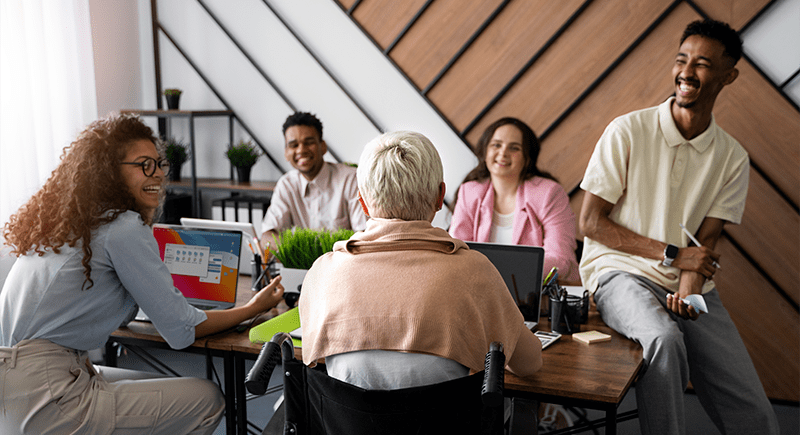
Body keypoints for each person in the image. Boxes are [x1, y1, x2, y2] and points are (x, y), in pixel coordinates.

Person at [0, 114, 285, 434]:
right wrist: (252, 308)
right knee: (207, 399)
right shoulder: (121, 228)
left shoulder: (67, 225)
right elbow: (181, 331)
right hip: (52, 394)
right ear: (108, 172)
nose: (158, 174)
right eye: (144, 165)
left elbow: (104, 311)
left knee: (157, 385)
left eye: (159, 164)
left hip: (16, 391)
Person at [578, 19, 778, 435]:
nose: (686, 72)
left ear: (729, 76)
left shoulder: (732, 157)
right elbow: (590, 222)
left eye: (702, 64)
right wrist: (671, 254)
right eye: (681, 59)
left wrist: (688, 288)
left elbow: (704, 242)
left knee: (756, 413)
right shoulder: (627, 130)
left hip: (687, 283)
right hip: (618, 273)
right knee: (664, 339)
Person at [299, 131, 542, 390]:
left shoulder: (322, 273)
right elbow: (529, 364)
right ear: (440, 196)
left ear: (363, 204)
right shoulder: (475, 271)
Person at [450, 117, 579, 281]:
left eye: (514, 148)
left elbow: (560, 259)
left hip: (537, 293)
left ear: (527, 158)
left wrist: (508, 274)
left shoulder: (549, 193)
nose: (503, 153)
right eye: (496, 145)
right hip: (481, 290)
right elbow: (456, 252)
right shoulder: (469, 192)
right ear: (484, 151)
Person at [260, 111, 367, 252]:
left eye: (309, 143)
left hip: (342, 269)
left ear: (323, 146)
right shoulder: (286, 184)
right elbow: (267, 236)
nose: (301, 150)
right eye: (293, 145)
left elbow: (364, 237)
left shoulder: (350, 179)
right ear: (286, 152)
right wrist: (298, 254)